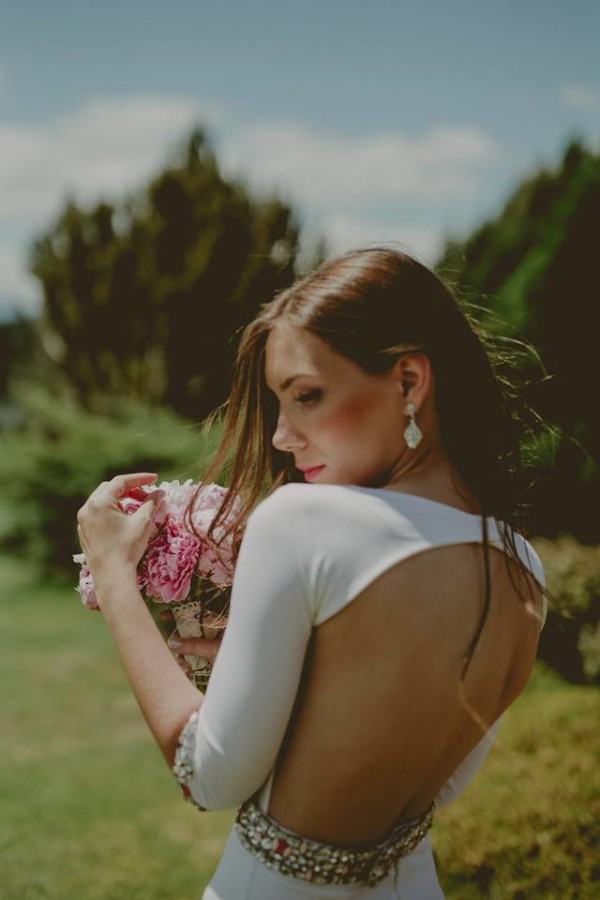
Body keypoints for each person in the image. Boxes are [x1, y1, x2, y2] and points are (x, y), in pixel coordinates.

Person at [77, 248, 547, 899]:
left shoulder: (303, 521)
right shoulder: (524, 567)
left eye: (307, 396)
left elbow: (207, 776)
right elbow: (436, 782)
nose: (281, 437)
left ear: (409, 383)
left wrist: (112, 574)